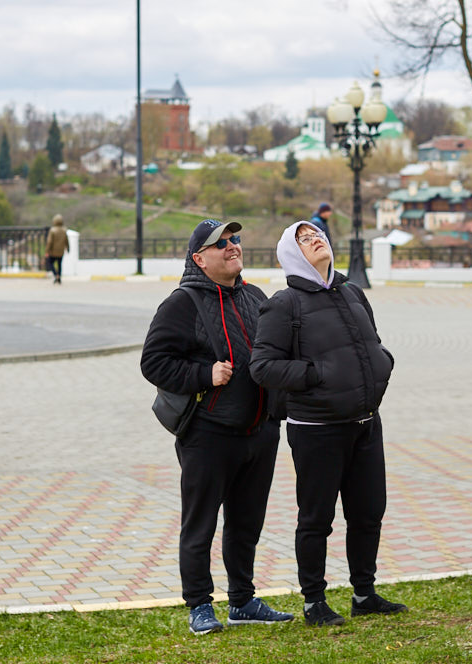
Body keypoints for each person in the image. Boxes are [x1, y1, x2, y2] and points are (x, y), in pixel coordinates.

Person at [250, 220, 406, 627]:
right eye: (304, 238)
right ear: (290, 253)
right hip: (317, 428)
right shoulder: (284, 304)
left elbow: (371, 341)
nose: (315, 239)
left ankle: (364, 593)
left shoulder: (351, 291)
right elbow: (262, 367)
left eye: (318, 234)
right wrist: (317, 374)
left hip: (366, 422)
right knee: (317, 517)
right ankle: (314, 601)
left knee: (369, 511)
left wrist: (382, 363)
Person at [140, 219, 293, 635]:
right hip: (208, 433)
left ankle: (242, 600)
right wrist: (203, 375)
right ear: (199, 259)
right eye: (220, 243)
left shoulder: (255, 296)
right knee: (201, 523)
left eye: (235, 240)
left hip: (259, 431)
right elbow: (153, 362)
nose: (232, 247)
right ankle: (199, 606)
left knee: (247, 522)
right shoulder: (182, 303)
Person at [44, 214, 69, 284]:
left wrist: (47, 251)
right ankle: (59, 276)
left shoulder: (52, 230)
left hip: (53, 251)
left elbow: (49, 242)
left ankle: (56, 275)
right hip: (61, 251)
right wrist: (68, 248)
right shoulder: (64, 230)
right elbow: (66, 240)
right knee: (59, 264)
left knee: (50, 262)